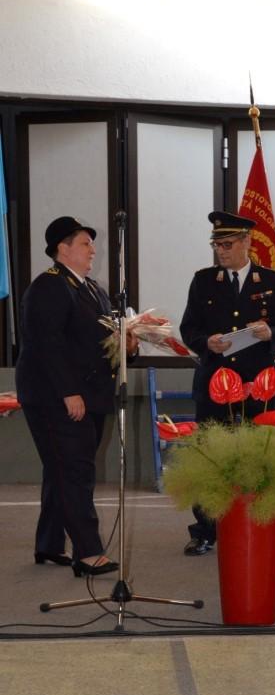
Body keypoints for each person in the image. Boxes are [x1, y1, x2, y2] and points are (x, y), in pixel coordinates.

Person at [16, 215, 138, 577]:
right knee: (75, 471)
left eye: (92, 243)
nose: (93, 250)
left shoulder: (92, 288)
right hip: (56, 396)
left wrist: (128, 344)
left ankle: (50, 543)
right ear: (62, 249)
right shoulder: (49, 287)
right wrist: (69, 392)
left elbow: (99, 340)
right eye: (85, 243)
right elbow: (47, 345)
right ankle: (88, 553)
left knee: (62, 467)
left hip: (90, 393)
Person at [180, 210, 275, 562]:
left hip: (258, 385)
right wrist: (207, 342)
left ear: (247, 242)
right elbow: (189, 329)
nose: (221, 251)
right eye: (216, 245)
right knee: (210, 455)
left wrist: (269, 334)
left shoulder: (271, 280)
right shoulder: (203, 280)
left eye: (228, 244)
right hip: (215, 382)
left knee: (267, 457)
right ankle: (205, 530)